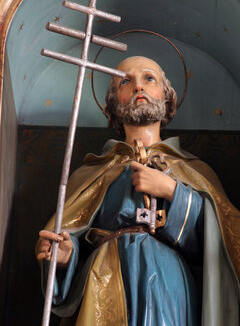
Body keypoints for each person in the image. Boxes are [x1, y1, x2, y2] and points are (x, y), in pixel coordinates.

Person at [36, 56, 240, 326]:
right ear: (113, 103)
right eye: (125, 81)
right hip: (103, 281)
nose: (138, 87)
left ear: (166, 98)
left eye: (149, 78)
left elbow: (225, 238)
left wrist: (172, 191)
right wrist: (64, 256)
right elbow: (73, 234)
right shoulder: (92, 172)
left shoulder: (193, 170)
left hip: (168, 286)